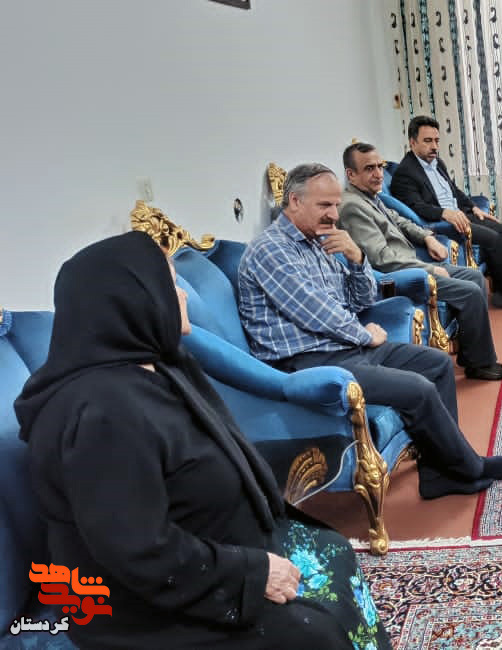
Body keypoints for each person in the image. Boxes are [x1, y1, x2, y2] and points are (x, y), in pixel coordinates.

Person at [15, 232, 393, 649]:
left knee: (333, 550)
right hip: (148, 605)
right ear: (133, 300)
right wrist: (252, 574)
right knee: (313, 633)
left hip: (214, 552)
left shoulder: (158, 365)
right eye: (169, 284)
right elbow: (137, 551)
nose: (182, 295)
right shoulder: (100, 416)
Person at [237, 163, 502, 500]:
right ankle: (468, 468)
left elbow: (362, 298)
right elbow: (315, 311)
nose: (334, 214)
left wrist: (357, 259)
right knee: (418, 389)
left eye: (336, 204)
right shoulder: (271, 250)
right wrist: (363, 334)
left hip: (342, 347)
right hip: (308, 363)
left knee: (437, 365)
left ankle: (439, 472)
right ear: (295, 201)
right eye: (324, 205)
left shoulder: (319, 241)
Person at [338, 143, 502, 377]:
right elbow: (382, 259)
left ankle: (472, 356)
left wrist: (427, 237)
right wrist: (428, 269)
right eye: (369, 169)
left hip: (412, 262)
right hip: (399, 275)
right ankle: (481, 365)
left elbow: (400, 221)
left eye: (379, 167)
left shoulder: (370, 196)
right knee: (470, 291)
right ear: (351, 174)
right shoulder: (352, 206)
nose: (379, 174)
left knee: (474, 276)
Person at [389, 116, 502, 308]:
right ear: (412, 142)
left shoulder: (437, 162)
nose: (434, 147)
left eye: (437, 141)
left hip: (460, 214)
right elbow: (415, 207)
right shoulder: (405, 172)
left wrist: (473, 207)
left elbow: (454, 191)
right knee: (494, 239)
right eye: (428, 141)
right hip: (443, 223)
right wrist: (444, 213)